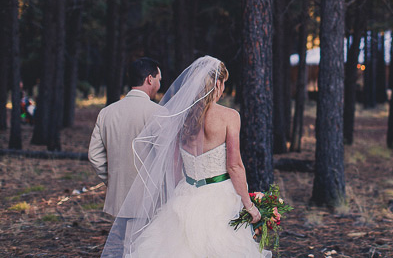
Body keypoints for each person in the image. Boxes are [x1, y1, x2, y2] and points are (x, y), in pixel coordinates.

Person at [102, 56, 270, 258]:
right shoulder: (230, 116)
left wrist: (175, 199)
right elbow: (235, 166)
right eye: (223, 83)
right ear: (217, 83)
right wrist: (249, 206)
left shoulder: (181, 118)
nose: (224, 89)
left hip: (186, 194)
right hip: (220, 198)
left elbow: (174, 165)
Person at [88, 57, 162, 248]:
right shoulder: (158, 112)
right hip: (150, 197)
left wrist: (113, 180)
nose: (160, 84)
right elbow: (166, 156)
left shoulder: (107, 112)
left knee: (127, 245)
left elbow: (94, 157)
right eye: (159, 79)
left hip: (119, 195)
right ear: (149, 79)